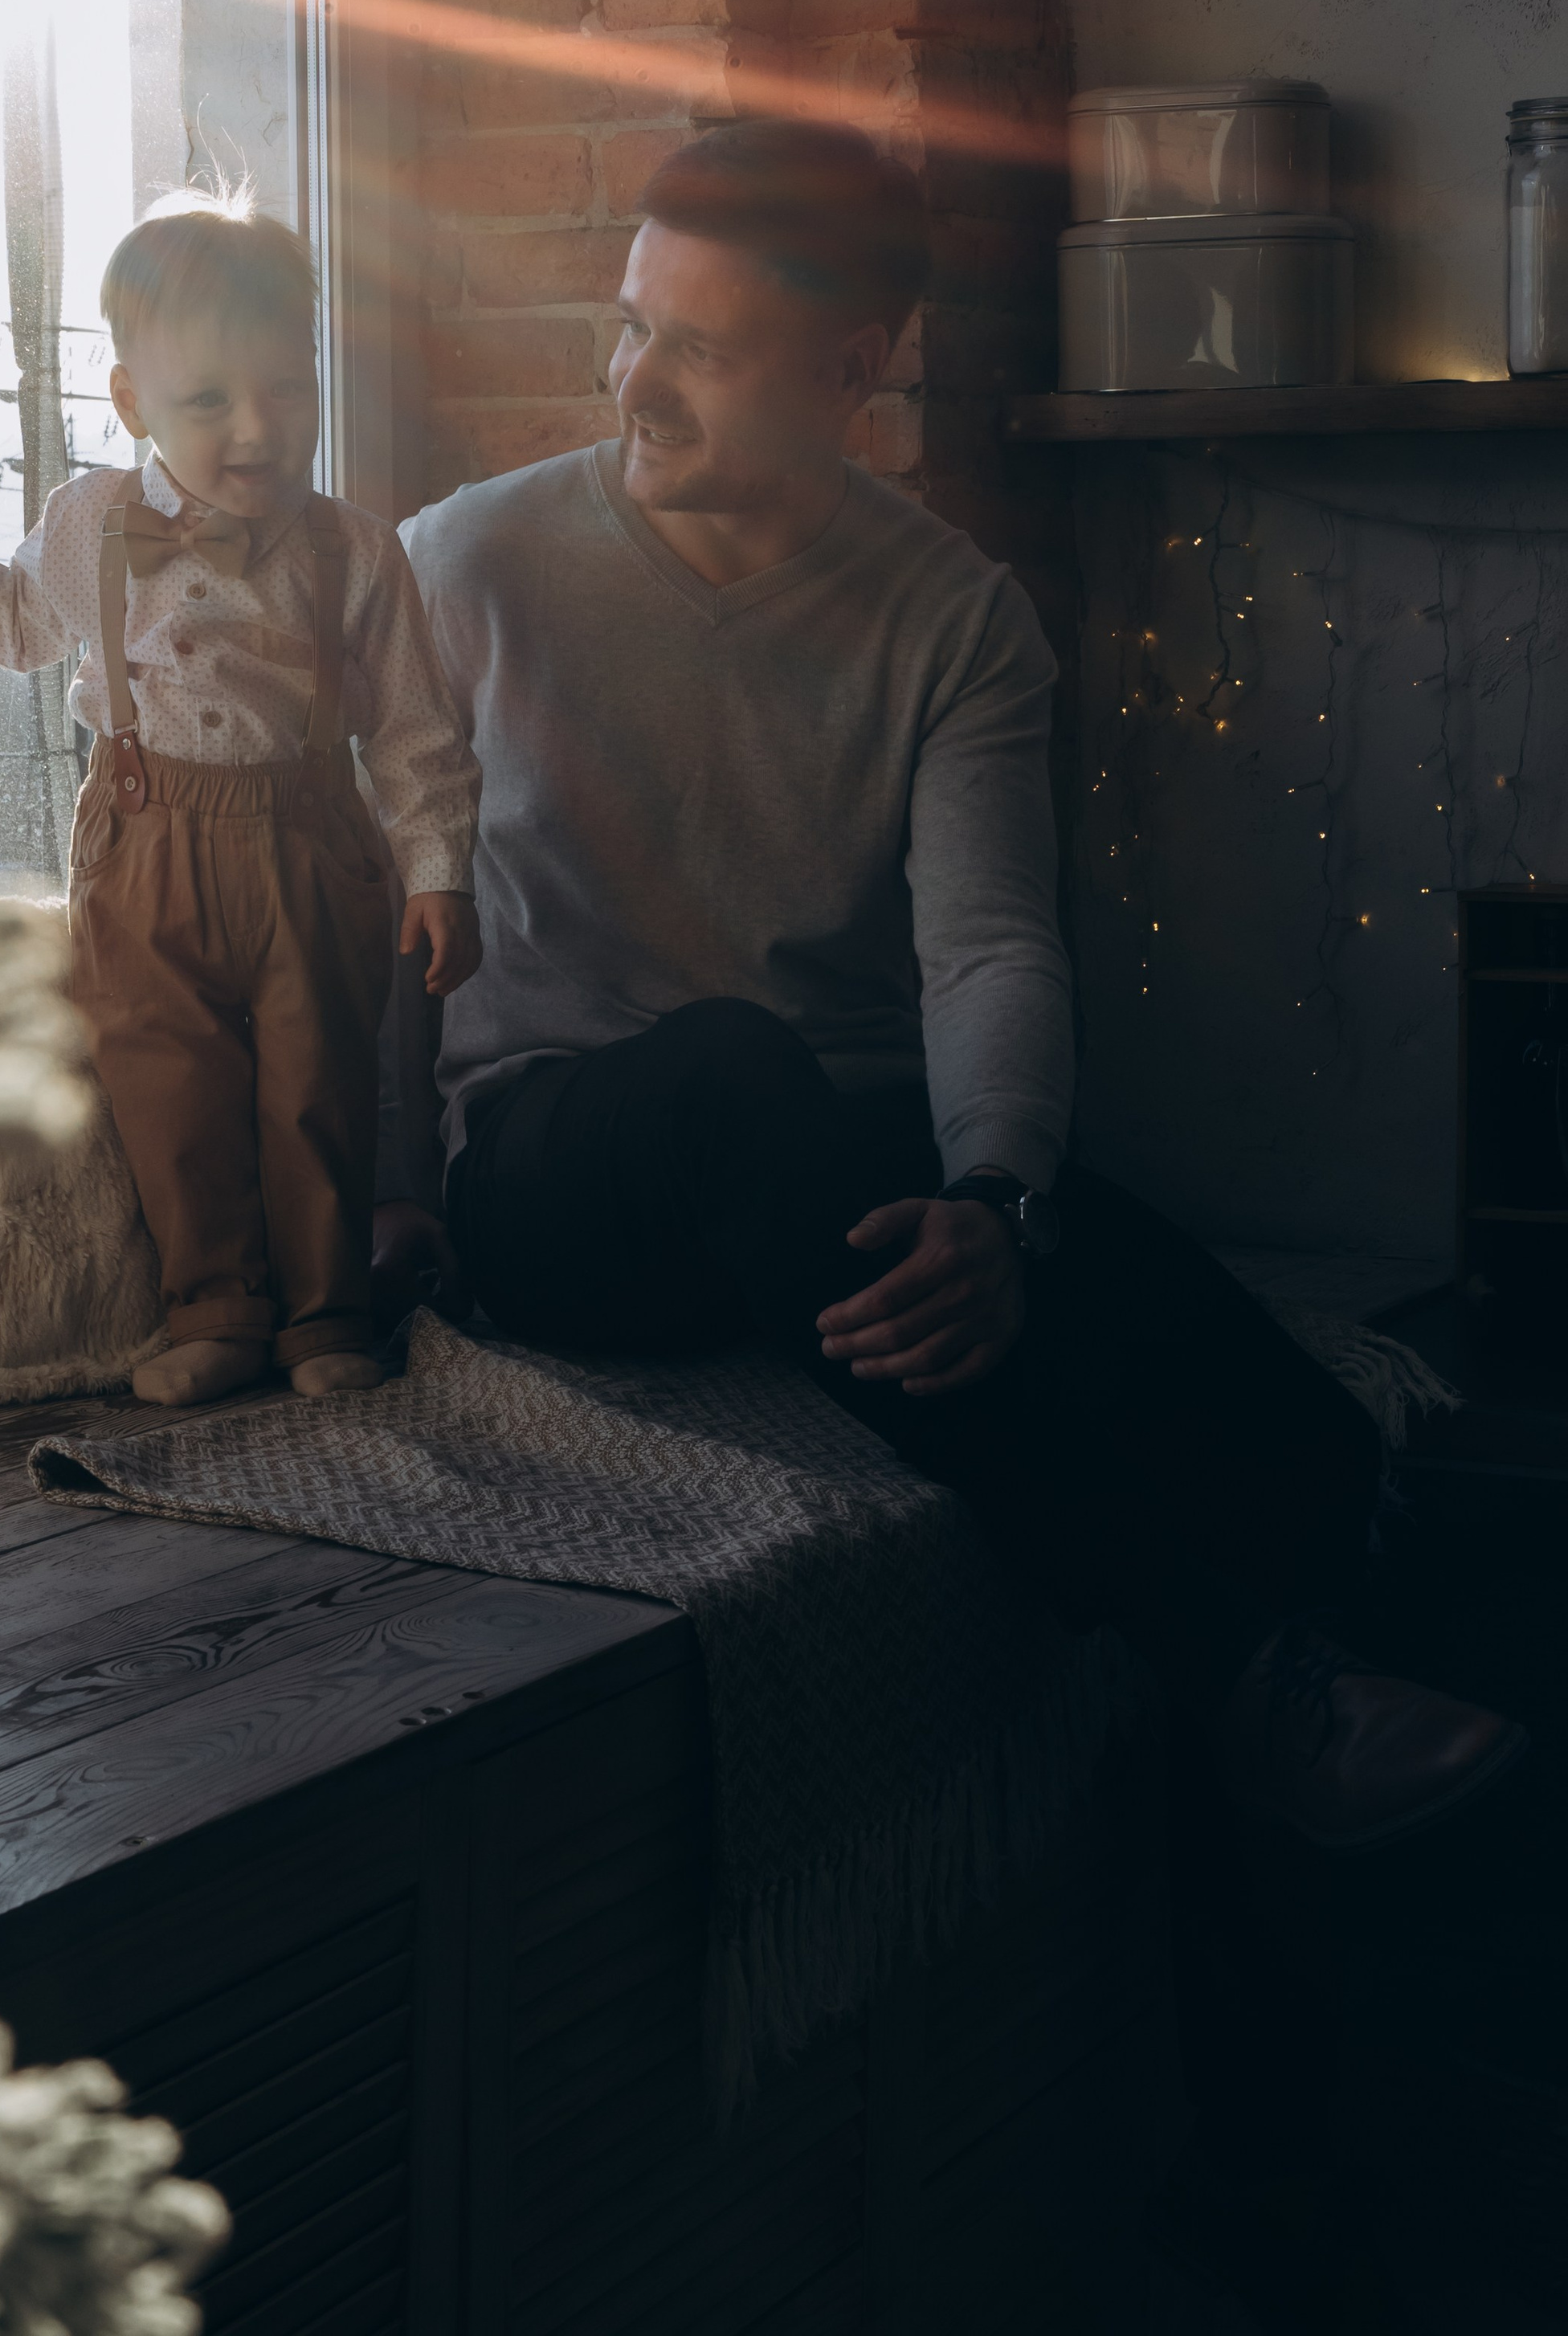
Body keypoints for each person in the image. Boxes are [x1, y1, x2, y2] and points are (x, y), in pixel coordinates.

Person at [376, 118, 1525, 1851]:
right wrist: (349, 1213)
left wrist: (994, 1195)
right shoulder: (462, 568)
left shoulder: (952, 616)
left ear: (854, 366)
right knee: (731, 1067)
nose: (635, 386)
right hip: (560, 1177)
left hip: (827, 1171)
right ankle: (1241, 1688)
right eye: (629, 326)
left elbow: (984, 942)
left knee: (1266, 1410)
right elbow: (334, 894)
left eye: (699, 348)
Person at [0, 184, 481, 1405]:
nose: (258, 429)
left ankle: (328, 1316)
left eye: (288, 390)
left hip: (311, 848)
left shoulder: (359, 553)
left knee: (319, 1082)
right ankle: (212, 1308)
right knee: (170, 1086)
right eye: (210, 401)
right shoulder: (90, 521)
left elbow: (418, 735)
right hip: (141, 846)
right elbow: (11, 620)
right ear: (131, 405)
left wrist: (438, 876)